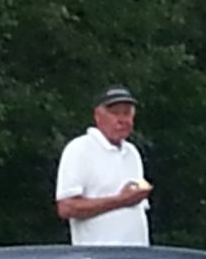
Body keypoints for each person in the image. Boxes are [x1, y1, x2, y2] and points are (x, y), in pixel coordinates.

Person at [55, 85, 153, 245]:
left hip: (136, 255)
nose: (122, 120)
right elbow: (66, 207)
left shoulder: (132, 152)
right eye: (115, 113)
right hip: (97, 257)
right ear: (98, 116)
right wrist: (120, 200)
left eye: (127, 113)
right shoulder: (79, 149)